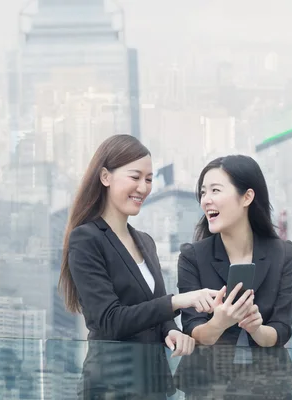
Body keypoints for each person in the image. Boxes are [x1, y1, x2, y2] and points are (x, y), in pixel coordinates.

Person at [58, 134, 219, 400]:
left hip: (153, 388)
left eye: (148, 179)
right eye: (135, 177)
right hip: (111, 390)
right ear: (105, 177)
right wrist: (178, 301)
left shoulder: (145, 242)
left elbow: (157, 311)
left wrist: (172, 332)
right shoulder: (87, 239)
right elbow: (110, 321)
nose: (143, 188)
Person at [174, 155, 292, 400]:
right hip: (208, 388)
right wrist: (219, 322)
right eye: (203, 192)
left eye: (215, 190)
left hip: (268, 386)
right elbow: (193, 330)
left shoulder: (282, 253)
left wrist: (256, 329)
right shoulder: (192, 257)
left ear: (247, 197)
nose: (206, 200)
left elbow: (282, 328)